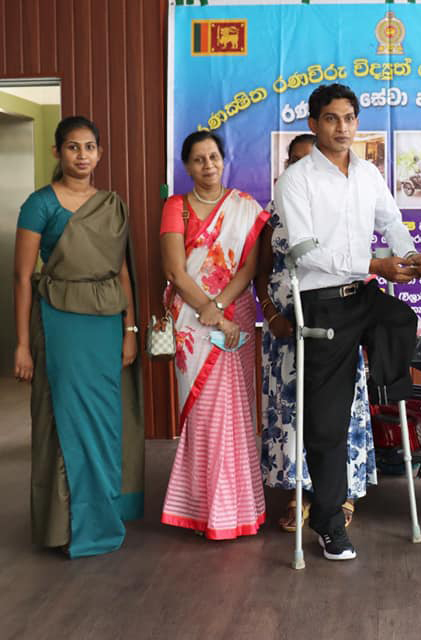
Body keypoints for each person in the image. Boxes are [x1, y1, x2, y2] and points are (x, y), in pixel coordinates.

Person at [275, 83, 421, 561]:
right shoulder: (296, 180)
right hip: (321, 304)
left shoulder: (367, 173)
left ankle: (383, 390)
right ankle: (329, 521)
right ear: (314, 123)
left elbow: (393, 221)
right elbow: (306, 250)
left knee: (400, 317)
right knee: (327, 422)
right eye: (332, 118)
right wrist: (374, 264)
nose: (342, 127)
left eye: (349, 118)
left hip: (362, 295)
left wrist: (411, 256)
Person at [14, 115, 145, 558]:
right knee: (68, 419)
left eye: (90, 147)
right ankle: (69, 525)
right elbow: (21, 278)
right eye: (73, 147)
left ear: (100, 153)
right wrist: (21, 345)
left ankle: (105, 517)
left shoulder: (111, 203)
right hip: (61, 320)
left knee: (106, 422)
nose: (82, 156)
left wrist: (130, 330)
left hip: (107, 321)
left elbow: (123, 272)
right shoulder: (40, 204)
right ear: (58, 152)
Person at [256, 133, 376, 531]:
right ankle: (297, 496)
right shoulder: (272, 215)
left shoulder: (338, 209)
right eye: (295, 160)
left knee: (337, 413)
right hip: (285, 334)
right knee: (294, 416)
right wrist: (273, 316)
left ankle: (339, 496)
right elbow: (261, 273)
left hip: (334, 327)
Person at [159, 131, 269, 539]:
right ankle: (203, 510)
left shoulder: (244, 207)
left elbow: (249, 269)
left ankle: (238, 509)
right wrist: (205, 307)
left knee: (235, 413)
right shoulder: (177, 207)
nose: (208, 166)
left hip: (232, 315)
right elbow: (175, 269)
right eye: (199, 160)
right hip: (191, 320)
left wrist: (219, 307)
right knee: (204, 414)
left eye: (213, 157)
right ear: (187, 166)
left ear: (225, 160)